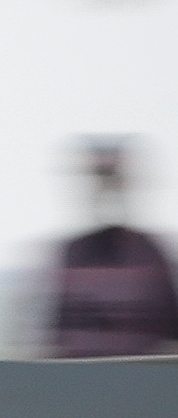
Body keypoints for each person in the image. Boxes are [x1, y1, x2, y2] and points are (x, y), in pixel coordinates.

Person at [44, 137, 178, 359]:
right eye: (101, 179)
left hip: (137, 381)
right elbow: (58, 334)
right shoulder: (74, 252)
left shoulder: (149, 252)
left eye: (112, 179)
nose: (107, 189)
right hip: (86, 380)